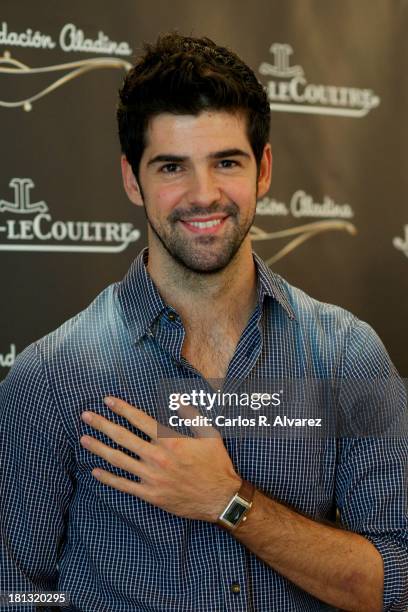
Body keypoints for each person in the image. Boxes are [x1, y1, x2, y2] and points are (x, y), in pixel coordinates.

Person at [0, 33, 407, 612]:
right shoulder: (49, 377)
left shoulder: (346, 354)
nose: (204, 194)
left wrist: (228, 500)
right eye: (172, 166)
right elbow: (14, 590)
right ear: (130, 179)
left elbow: (397, 583)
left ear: (263, 169)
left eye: (226, 162)